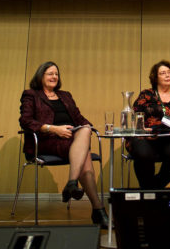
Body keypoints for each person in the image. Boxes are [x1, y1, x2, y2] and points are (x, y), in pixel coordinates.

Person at [18, 61, 109, 228]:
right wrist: (53, 129)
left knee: (85, 131)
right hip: (46, 140)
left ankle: (73, 184)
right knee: (85, 156)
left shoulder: (65, 95)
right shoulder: (31, 94)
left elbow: (79, 118)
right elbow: (26, 121)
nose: (54, 77)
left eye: (56, 74)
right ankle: (98, 209)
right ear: (41, 76)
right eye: (50, 73)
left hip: (71, 140)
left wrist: (88, 126)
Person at [129, 60, 170, 189]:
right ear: (155, 77)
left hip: (169, 137)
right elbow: (135, 115)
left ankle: (154, 187)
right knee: (143, 155)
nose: (167, 75)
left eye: (169, 72)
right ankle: (148, 190)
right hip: (146, 137)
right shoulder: (147, 94)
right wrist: (141, 127)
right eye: (163, 73)